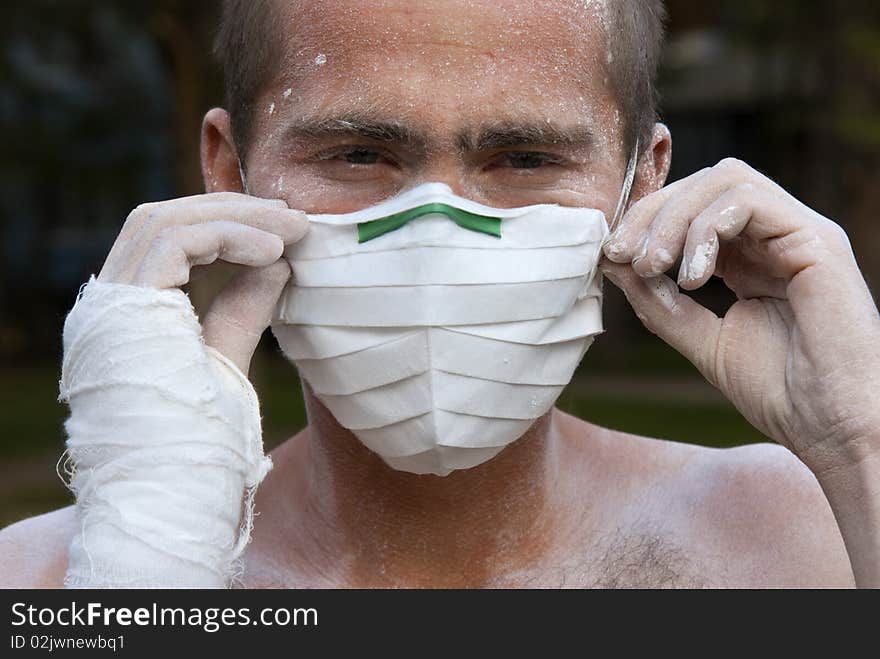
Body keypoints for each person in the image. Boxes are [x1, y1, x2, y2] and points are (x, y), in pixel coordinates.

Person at [1, 0, 878, 588]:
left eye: (525, 159)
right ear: (231, 172)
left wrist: (861, 439)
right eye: (358, 154)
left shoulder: (804, 537)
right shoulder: (54, 578)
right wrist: (143, 572)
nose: (436, 226)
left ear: (641, 182)